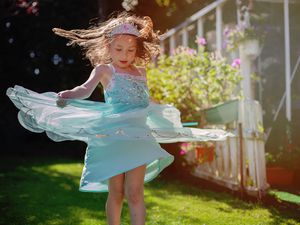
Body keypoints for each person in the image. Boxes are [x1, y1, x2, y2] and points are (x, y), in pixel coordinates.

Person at [6, 11, 232, 225]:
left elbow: (145, 100)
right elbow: (84, 89)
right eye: (119, 49)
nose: (125, 55)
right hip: (113, 135)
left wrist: (165, 111)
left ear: (137, 50)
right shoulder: (104, 70)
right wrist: (70, 94)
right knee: (117, 191)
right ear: (109, 47)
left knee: (135, 192)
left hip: (138, 136)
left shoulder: (141, 72)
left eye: (130, 50)